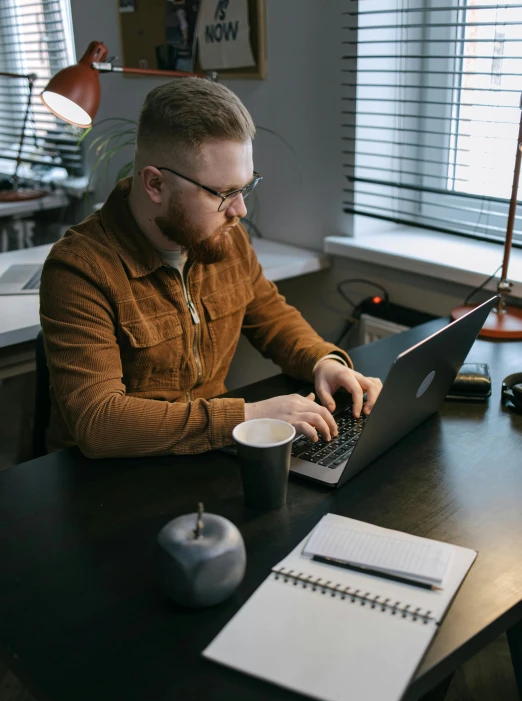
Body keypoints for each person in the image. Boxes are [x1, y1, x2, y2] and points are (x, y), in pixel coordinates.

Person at [39, 78, 382, 458]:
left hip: (205, 455)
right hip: (105, 480)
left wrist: (323, 361)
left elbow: (272, 318)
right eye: (222, 193)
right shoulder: (80, 269)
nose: (240, 210)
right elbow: (99, 423)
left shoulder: (224, 236)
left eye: (245, 188)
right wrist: (247, 417)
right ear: (155, 184)